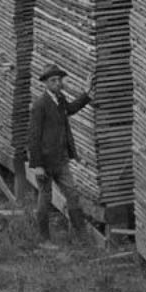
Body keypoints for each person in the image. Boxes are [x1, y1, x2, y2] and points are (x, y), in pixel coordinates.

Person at [27, 63, 94, 247]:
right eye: (53, 80)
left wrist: (86, 95)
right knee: (45, 198)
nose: (57, 83)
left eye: (59, 80)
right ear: (46, 83)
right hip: (45, 162)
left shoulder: (60, 99)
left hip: (61, 160)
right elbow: (33, 137)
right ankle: (44, 240)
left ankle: (83, 239)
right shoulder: (40, 105)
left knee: (72, 195)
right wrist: (38, 165)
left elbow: (70, 109)